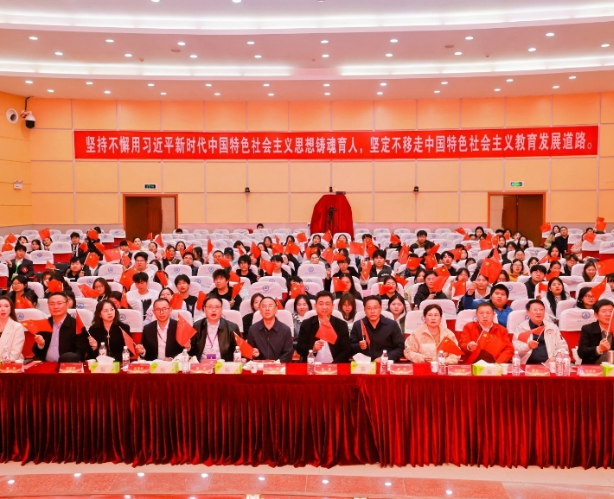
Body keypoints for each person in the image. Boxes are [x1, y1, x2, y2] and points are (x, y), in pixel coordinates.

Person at [296, 290, 351, 363]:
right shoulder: (307, 324)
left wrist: (332, 366)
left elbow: (346, 351)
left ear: (333, 306)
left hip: (334, 365)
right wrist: (313, 348)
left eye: (327, 304)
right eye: (321, 304)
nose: (324, 307)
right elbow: (299, 348)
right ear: (315, 306)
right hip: (312, 365)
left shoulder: (341, 325)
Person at [32, 292, 88, 362]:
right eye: (52, 304)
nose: (55, 307)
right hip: (46, 363)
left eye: (59, 303)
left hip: (67, 365)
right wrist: (40, 345)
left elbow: (81, 351)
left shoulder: (77, 325)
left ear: (67, 304)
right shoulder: (44, 324)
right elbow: (36, 352)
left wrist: (71, 361)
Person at [349, 295, 404, 361]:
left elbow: (400, 347)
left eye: (375, 308)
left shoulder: (392, 325)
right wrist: (359, 346)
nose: (372, 311)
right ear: (364, 310)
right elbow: (350, 347)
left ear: (380, 308)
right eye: (369, 308)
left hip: (386, 363)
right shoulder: (358, 325)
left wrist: (384, 358)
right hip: (365, 364)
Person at [512, 299, 568, 364]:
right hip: (527, 365)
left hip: (549, 364)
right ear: (528, 312)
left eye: (541, 310)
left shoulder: (552, 327)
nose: (538, 312)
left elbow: (563, 346)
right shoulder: (521, 328)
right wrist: (528, 346)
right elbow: (515, 349)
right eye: (535, 310)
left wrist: (555, 357)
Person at [189, 296, 239, 361]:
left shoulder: (232, 328)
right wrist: (188, 347)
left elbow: (237, 351)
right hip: (201, 364)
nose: (213, 310)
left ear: (221, 309)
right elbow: (191, 352)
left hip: (223, 365)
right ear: (204, 309)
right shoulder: (197, 326)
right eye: (210, 307)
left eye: (217, 307)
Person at [247, 296, 294, 362]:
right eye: (264, 306)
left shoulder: (285, 330)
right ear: (260, 310)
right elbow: (250, 353)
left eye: (270, 306)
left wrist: (276, 363)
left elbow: (288, 353)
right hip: (260, 365)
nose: (267, 309)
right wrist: (255, 354)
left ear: (276, 309)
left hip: (279, 366)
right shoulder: (253, 329)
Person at [577, 299, 614, 364]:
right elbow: (581, 352)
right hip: (594, 367)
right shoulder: (588, 329)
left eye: (611, 311)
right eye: (604, 311)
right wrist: (599, 349)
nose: (608, 314)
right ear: (596, 315)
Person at [0, 296, 25, 361]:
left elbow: (14, 355)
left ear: (11, 309)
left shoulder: (17, 327)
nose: (3, 309)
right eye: (0, 306)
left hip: (10, 364)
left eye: (6, 306)